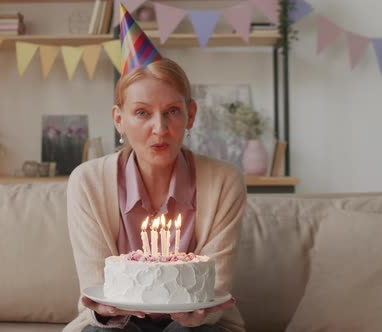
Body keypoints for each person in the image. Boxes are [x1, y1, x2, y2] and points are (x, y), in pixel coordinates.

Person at [63, 4, 247, 332]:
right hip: (115, 326)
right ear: (119, 119)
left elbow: (216, 287)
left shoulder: (224, 182)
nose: (160, 129)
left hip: (198, 326)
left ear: (191, 114)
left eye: (172, 111)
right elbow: (94, 287)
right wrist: (106, 313)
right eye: (143, 113)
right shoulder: (88, 182)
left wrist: (200, 313)